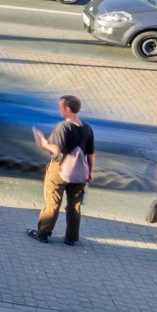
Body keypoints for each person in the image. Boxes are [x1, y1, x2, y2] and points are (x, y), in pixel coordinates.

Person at [27, 95, 94, 244]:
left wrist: (43, 142)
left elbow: (57, 149)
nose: (59, 109)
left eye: (60, 107)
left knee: (53, 203)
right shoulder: (87, 128)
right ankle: (71, 238)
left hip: (59, 169)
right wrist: (90, 172)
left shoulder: (63, 127)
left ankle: (43, 233)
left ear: (67, 109)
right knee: (74, 206)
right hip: (79, 172)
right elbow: (91, 154)